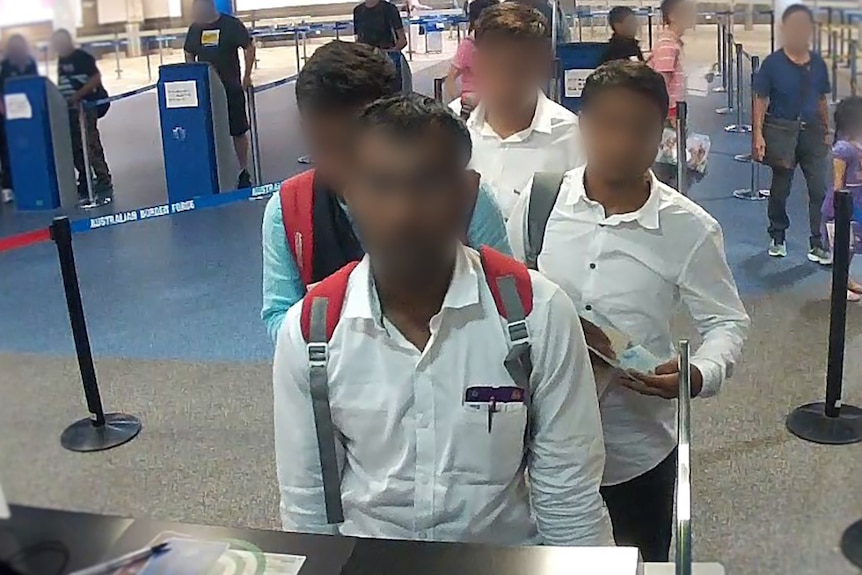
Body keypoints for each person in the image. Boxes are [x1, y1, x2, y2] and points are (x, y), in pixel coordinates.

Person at [273, 92, 614, 546]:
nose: (402, 213)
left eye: (428, 185)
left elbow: (567, 495)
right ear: (351, 195)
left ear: (467, 194)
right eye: (380, 186)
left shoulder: (535, 314)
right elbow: (308, 505)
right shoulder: (313, 332)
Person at [506, 61, 749, 561]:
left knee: (642, 559)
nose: (621, 141)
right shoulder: (541, 201)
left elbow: (726, 320)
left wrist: (698, 373)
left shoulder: (689, 228)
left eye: (640, 128)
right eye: (607, 124)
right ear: (583, 124)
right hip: (540, 446)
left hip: (636, 447)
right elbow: (508, 290)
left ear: (663, 130)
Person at [261, 41, 509, 341]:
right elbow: (279, 316)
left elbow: (508, 300)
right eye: (324, 146)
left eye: (355, 150)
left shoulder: (465, 200)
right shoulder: (289, 211)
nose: (341, 168)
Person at [450, 2, 584, 219]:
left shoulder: (573, 139)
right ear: (476, 63)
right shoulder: (450, 125)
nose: (506, 83)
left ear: (545, 65)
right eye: (495, 66)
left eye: (520, 69)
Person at [753, 3, 831, 264]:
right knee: (780, 188)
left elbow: (821, 98)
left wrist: (827, 128)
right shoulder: (772, 64)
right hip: (782, 131)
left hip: (812, 133)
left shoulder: (817, 64)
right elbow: (760, 99)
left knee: (819, 188)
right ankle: (777, 235)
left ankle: (817, 241)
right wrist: (758, 135)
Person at [184, 0, 256, 189]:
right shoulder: (195, 29)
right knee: (207, 130)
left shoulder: (231, 25)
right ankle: (210, 170)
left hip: (230, 87)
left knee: (238, 129)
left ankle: (243, 170)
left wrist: (246, 76)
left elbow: (249, 47)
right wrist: (193, 75)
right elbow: (189, 51)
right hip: (206, 90)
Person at [52, 29, 113, 203]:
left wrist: (78, 95)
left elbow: (95, 78)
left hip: (85, 107)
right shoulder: (62, 60)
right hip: (69, 109)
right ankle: (85, 177)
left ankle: (103, 177)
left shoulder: (82, 58)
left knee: (90, 142)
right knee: (75, 145)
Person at [822, 96, 862, 301]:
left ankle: (845, 279)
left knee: (853, 246)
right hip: (842, 208)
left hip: (857, 205)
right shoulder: (843, 148)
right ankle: (837, 286)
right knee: (842, 249)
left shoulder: (856, 145)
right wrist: (839, 209)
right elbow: (838, 181)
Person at [0, 35, 38, 204]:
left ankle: (28, 182)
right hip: (6, 115)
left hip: (26, 116)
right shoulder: (4, 68)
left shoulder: (30, 63)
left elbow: (36, 84)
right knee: (7, 152)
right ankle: (8, 187)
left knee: (27, 150)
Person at [444, 0, 499, 105]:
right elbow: (450, 79)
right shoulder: (469, 45)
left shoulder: (502, 44)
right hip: (473, 102)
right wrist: (458, 103)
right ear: (476, 21)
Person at [648, 0, 694, 122]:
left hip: (676, 106)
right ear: (672, 16)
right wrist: (668, 114)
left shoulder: (673, 42)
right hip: (670, 110)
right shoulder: (667, 44)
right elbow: (662, 81)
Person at [352, 0, 411, 92]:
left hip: (387, 60)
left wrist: (387, 52)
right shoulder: (358, 11)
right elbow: (358, 39)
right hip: (367, 61)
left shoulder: (389, 9)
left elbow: (402, 40)